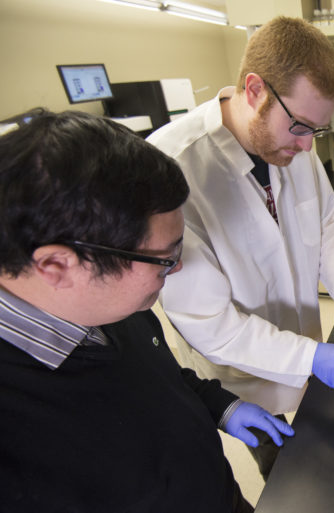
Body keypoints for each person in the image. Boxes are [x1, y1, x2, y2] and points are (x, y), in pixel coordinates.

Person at [0, 109, 294, 513]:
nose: (177, 268)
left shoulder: (115, 305)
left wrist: (221, 406)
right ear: (58, 266)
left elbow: (156, 378)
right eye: (163, 257)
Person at [147, 16, 334, 477]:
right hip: (243, 373)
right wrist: (310, 358)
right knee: (290, 476)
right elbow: (211, 324)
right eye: (300, 126)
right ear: (255, 89)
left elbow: (324, 222)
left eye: (316, 131)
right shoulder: (171, 170)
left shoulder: (294, 141)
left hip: (305, 340)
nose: (306, 146)